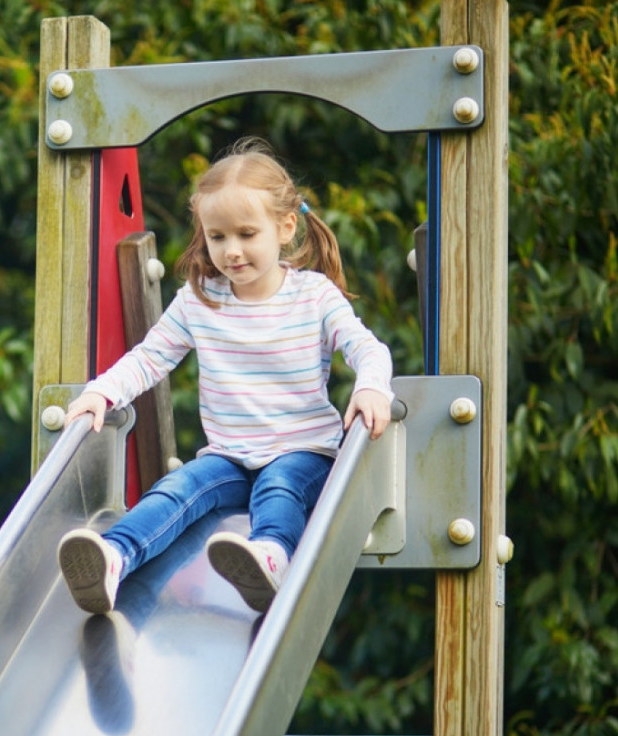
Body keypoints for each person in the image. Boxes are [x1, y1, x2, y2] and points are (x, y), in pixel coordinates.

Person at [58, 137, 394, 615]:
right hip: (230, 456)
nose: (231, 251)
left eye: (245, 234)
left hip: (304, 452)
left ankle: (272, 557)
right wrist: (102, 393)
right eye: (217, 237)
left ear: (285, 227)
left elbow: (367, 348)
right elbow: (150, 357)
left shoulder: (313, 296)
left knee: (280, 487)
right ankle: (113, 557)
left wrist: (370, 386)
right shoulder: (201, 300)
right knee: (178, 489)